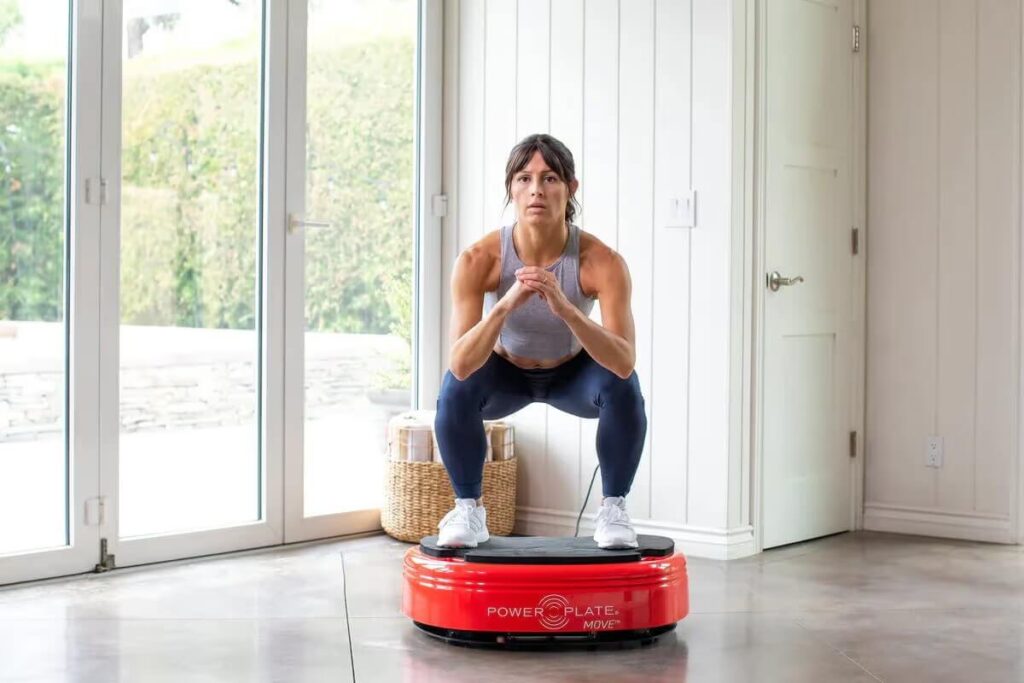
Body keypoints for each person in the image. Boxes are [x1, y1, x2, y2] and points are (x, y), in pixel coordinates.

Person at [433, 133, 647, 549]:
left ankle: (614, 510)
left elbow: (623, 360)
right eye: (524, 178)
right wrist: (506, 305)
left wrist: (565, 307)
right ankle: (468, 509)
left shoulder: (602, 262)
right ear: (511, 188)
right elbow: (460, 362)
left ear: (570, 189)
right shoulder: (480, 259)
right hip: (505, 374)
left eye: (550, 178)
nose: (536, 190)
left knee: (625, 386)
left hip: (572, 376)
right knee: (454, 387)